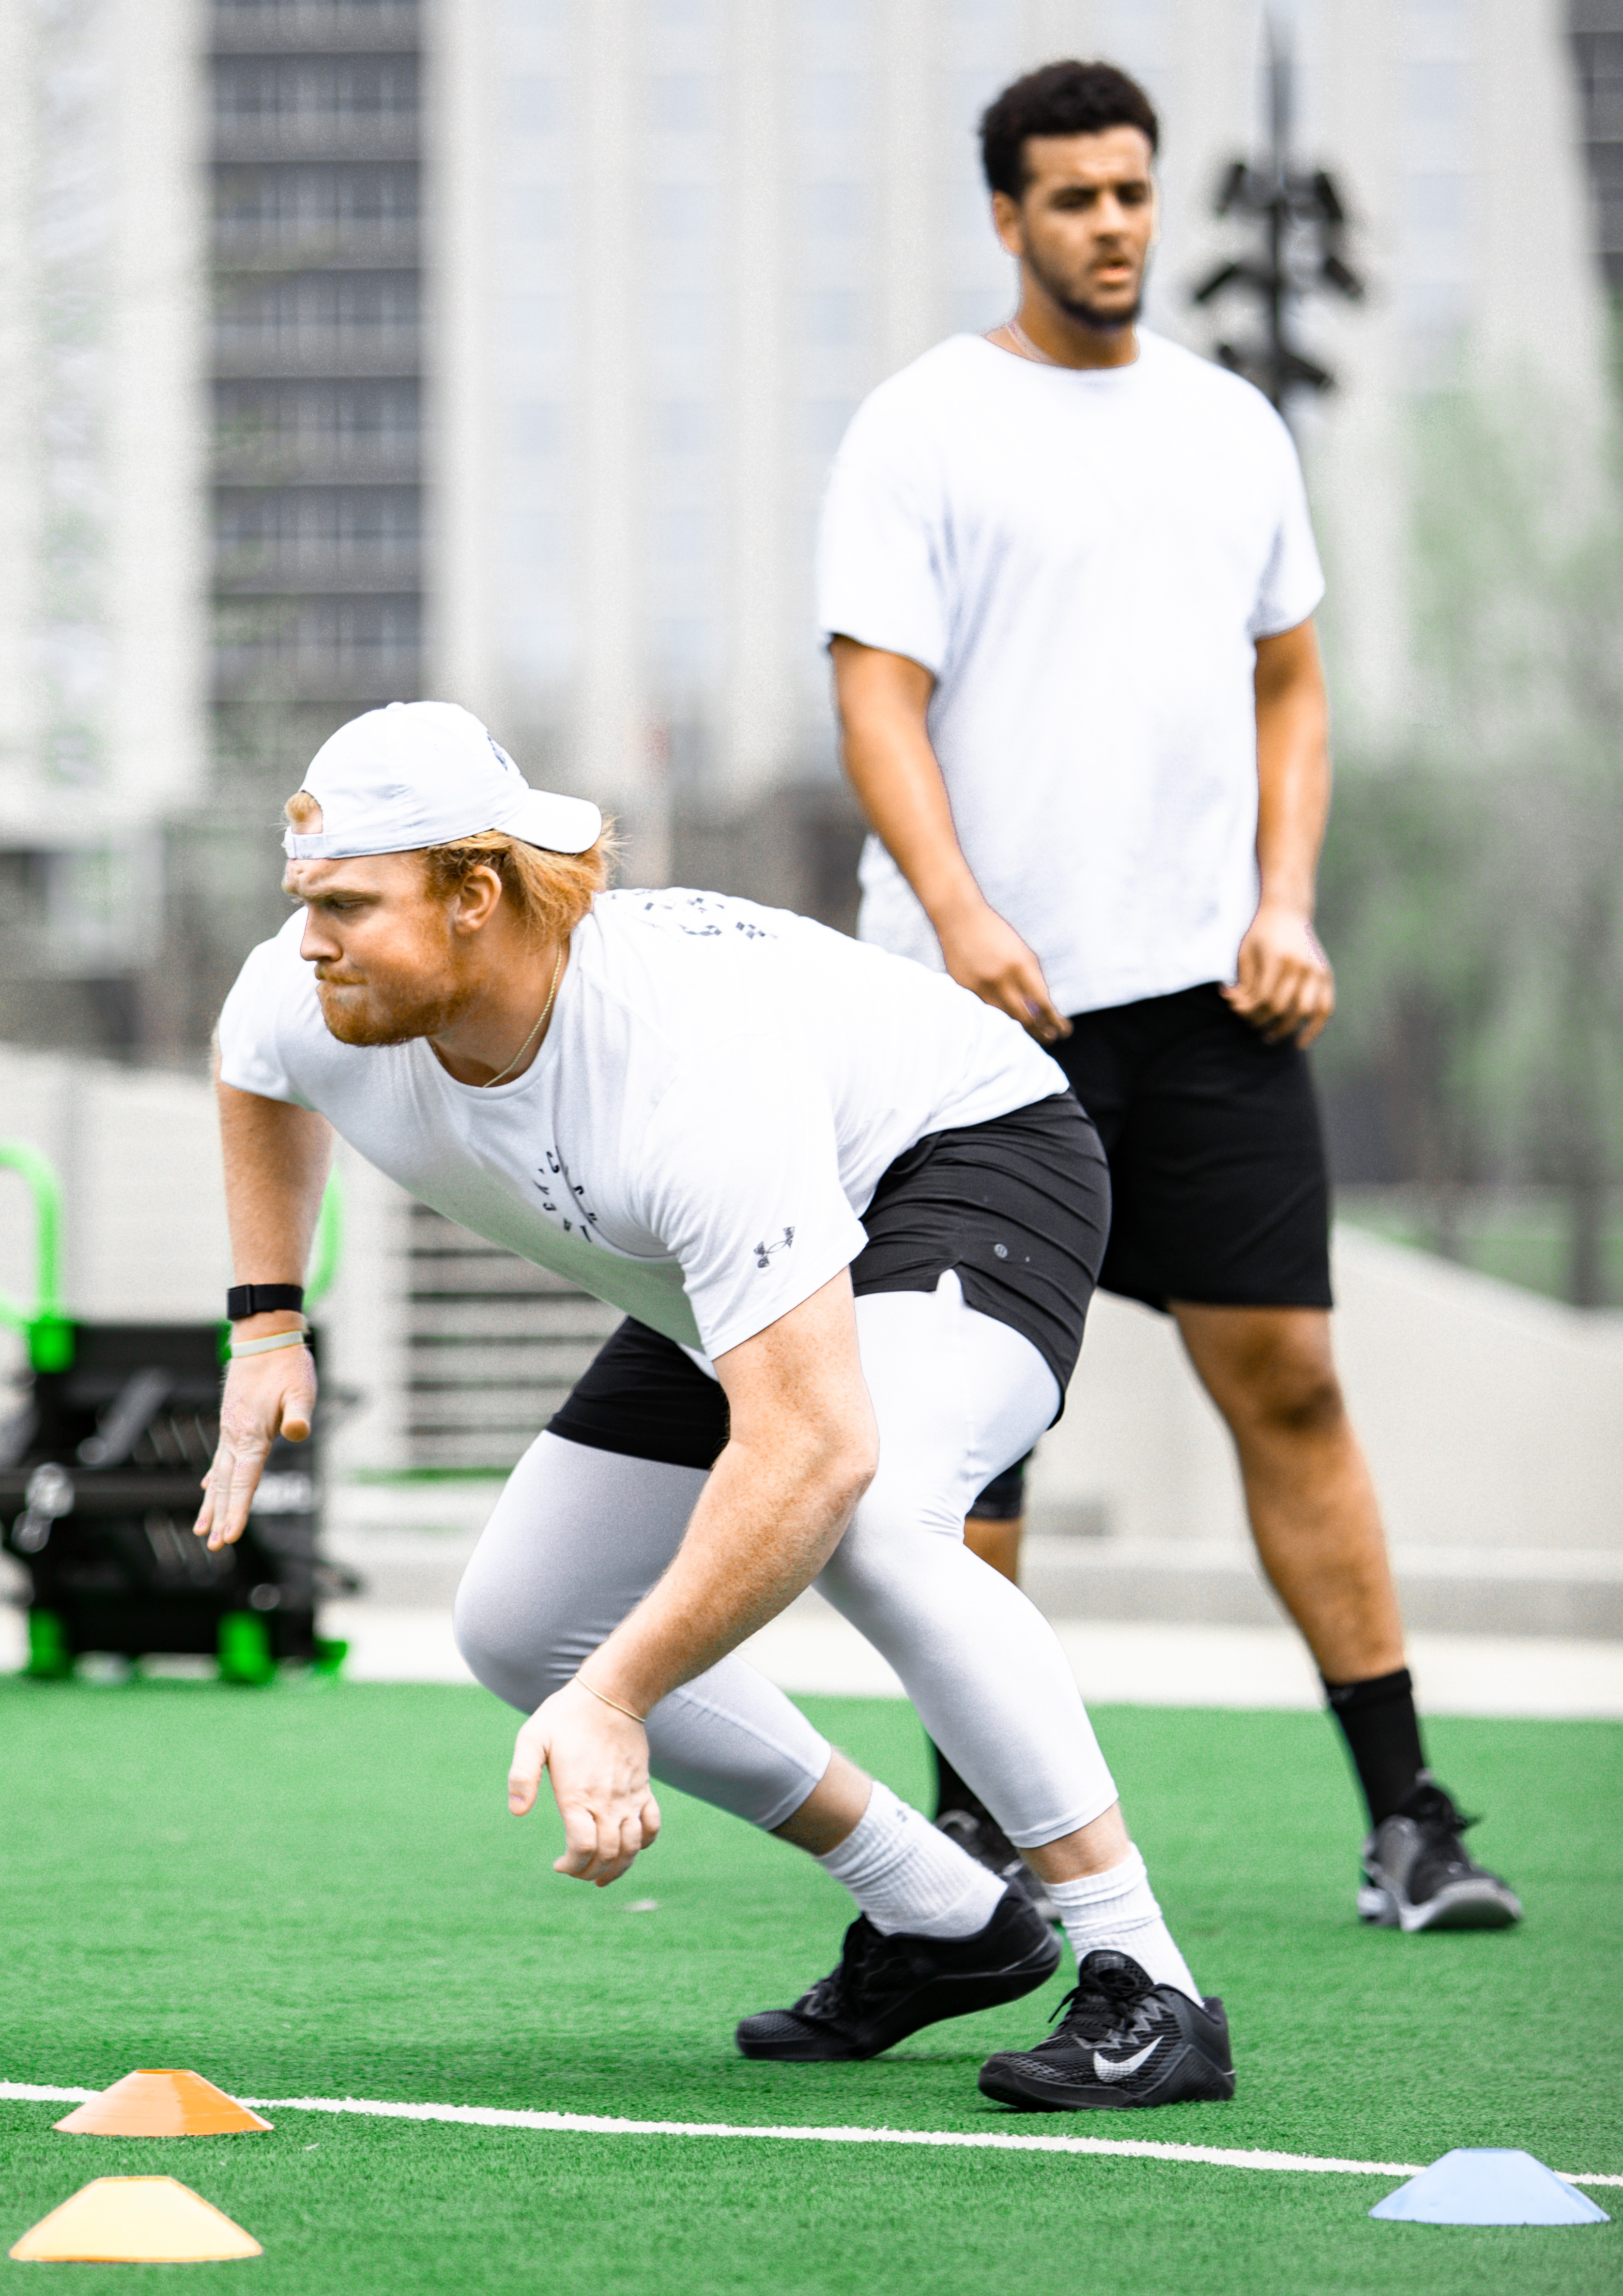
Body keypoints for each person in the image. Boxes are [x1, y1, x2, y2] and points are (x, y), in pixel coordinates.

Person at [199, 698, 1236, 2112]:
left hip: (960, 1166)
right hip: (714, 1268)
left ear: (474, 895)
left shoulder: (683, 1067)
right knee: (521, 1624)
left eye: (346, 904)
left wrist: (620, 1697)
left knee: (873, 1520)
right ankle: (943, 1914)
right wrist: (268, 1326)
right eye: (302, 900)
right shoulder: (313, 989)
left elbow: (814, 1453)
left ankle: (1149, 1978)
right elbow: (252, 1074)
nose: (308, 938)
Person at [816, 58, 1518, 1934]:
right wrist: (959, 915)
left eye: (1131, 193)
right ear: (1008, 216)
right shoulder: (923, 428)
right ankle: (981, 1849)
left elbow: (1294, 678)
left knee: (1290, 1380)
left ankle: (1411, 1816)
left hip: (1209, 1007)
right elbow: (876, 693)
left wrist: (1287, 898)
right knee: (977, 1428)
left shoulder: (1233, 431)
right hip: (978, 1027)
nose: (1111, 224)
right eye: (1071, 197)